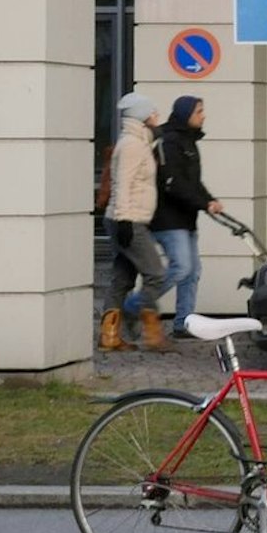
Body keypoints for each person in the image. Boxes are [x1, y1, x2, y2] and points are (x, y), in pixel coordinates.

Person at [101, 92, 172, 352]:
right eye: (153, 113)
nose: (157, 117)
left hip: (130, 218)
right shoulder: (131, 144)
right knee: (156, 273)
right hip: (128, 219)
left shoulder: (139, 141)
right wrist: (124, 221)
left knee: (122, 279)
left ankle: (110, 336)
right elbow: (123, 183)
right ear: (143, 116)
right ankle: (152, 335)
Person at [150, 95, 224, 338]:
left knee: (192, 272)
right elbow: (173, 183)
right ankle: (136, 304)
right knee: (181, 268)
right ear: (185, 115)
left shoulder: (189, 143)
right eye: (199, 112)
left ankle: (183, 323)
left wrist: (209, 200)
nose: (203, 116)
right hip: (168, 219)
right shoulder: (170, 142)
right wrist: (203, 203)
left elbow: (193, 182)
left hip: (186, 218)